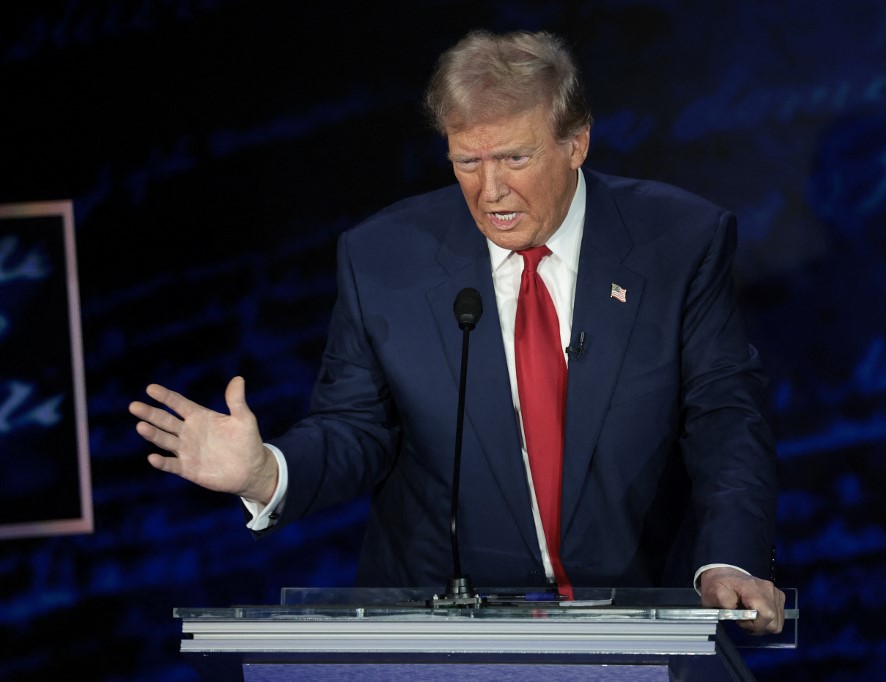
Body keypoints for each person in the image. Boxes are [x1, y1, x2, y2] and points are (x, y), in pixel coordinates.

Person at [129, 29, 785, 634]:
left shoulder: (680, 242)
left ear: (576, 141)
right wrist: (265, 474)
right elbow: (356, 428)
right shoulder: (384, 258)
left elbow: (725, 418)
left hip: (635, 625)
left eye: (515, 157)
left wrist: (728, 561)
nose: (491, 191)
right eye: (467, 161)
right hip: (443, 636)